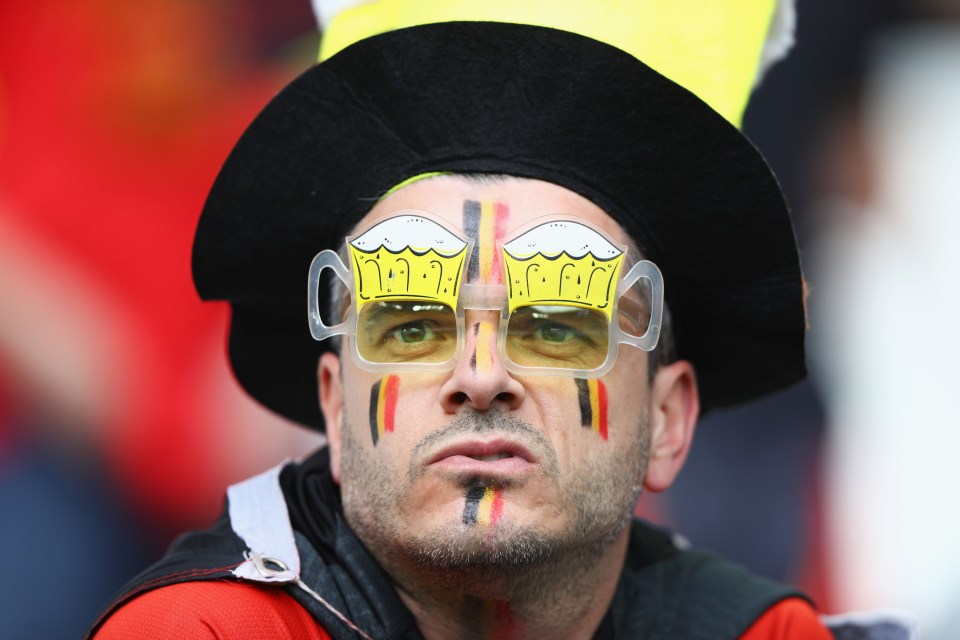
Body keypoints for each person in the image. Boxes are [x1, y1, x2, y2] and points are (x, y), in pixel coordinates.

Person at [86, 3, 886, 639]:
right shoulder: (201, 634)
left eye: (558, 325)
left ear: (670, 419)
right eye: (410, 326)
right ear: (333, 407)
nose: (479, 377)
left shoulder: (763, 635)